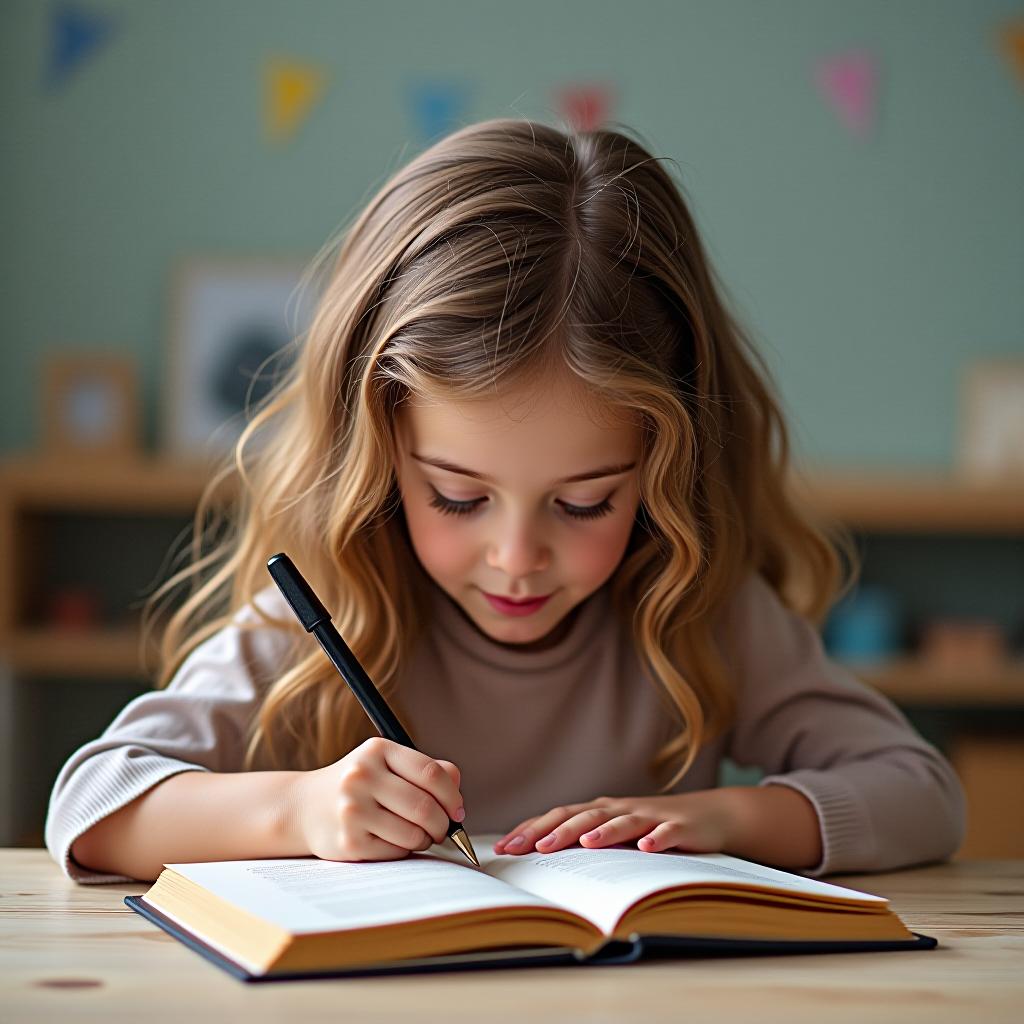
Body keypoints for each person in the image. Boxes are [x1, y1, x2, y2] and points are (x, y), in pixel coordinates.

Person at [45, 118, 964, 885]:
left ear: (661, 472)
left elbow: (921, 793)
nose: (517, 556)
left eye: (584, 504)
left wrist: (725, 817)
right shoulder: (321, 618)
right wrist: (303, 807)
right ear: (378, 457)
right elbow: (90, 803)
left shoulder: (703, 615)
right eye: (455, 497)